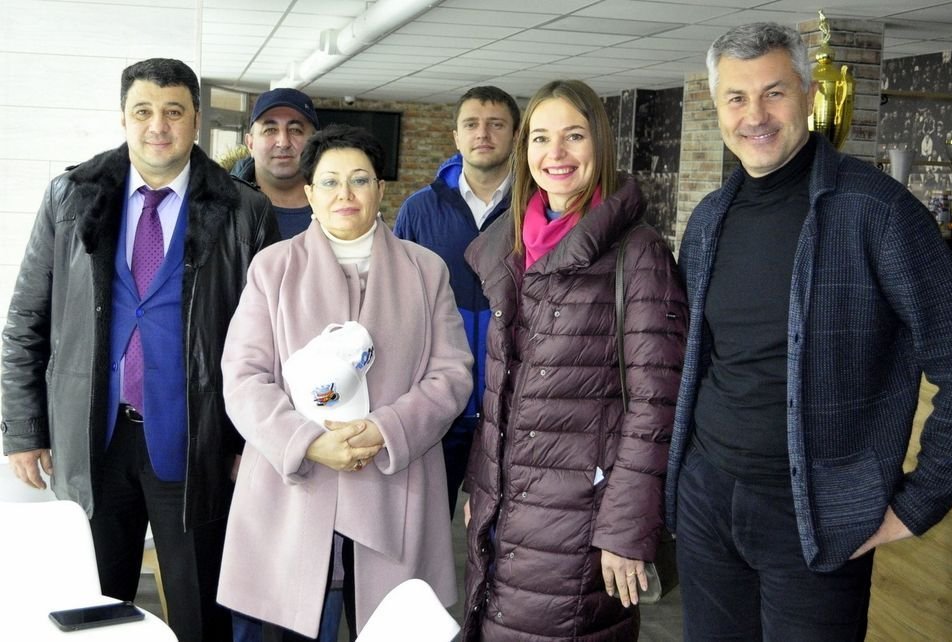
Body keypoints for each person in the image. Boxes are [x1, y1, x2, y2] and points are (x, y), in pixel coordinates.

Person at [664, 22, 952, 641]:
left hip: (817, 517)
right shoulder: (709, 219)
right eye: (737, 97)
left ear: (808, 94)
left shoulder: (878, 212)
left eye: (774, 92)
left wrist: (917, 504)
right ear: (718, 106)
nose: (755, 115)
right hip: (707, 498)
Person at [0, 58, 279, 642]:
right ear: (123, 118)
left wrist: (248, 441)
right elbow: (27, 318)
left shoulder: (244, 210)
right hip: (92, 441)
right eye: (143, 111)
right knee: (93, 611)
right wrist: (24, 429)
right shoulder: (71, 196)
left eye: (174, 111)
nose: (158, 125)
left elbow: (271, 342)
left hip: (197, 443)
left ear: (196, 120)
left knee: (200, 612)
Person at [216, 124, 474, 641]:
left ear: (381, 189)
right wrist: (307, 441)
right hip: (296, 491)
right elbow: (243, 378)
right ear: (310, 192)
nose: (345, 194)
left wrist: (386, 429)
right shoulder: (274, 268)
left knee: (393, 628)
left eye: (359, 179)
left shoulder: (426, 271)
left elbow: (450, 375)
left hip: (394, 486)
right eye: (330, 182)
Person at [460, 79, 688, 641]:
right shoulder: (512, 245)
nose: (555, 153)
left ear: (600, 144)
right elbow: (502, 389)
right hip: (505, 510)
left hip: (582, 520)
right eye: (541, 137)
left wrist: (626, 529)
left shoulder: (637, 253)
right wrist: (481, 486)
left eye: (574, 136)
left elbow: (656, 405)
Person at [227, 87, 343, 642]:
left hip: (326, 439)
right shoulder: (219, 214)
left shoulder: (344, 218)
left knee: (317, 584)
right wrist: (231, 443)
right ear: (250, 140)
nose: (282, 140)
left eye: (296, 129)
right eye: (269, 128)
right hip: (244, 430)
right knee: (250, 583)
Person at [393, 85, 521, 517]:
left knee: (509, 532)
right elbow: (396, 302)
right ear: (456, 136)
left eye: (496, 124)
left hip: (511, 406)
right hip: (436, 403)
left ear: (515, 135)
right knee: (424, 525)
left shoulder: (535, 210)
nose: (482, 133)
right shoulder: (419, 210)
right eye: (471, 124)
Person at [233, 87, 319, 239]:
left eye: (295, 130)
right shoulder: (218, 210)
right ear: (250, 144)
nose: (283, 143)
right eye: (270, 130)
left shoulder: (346, 207)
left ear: (315, 142)